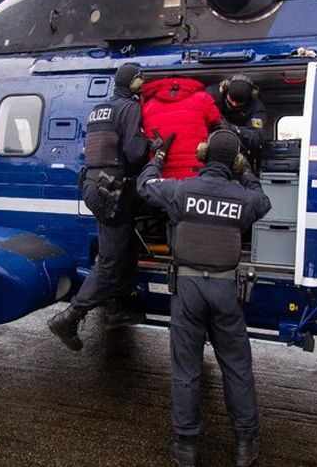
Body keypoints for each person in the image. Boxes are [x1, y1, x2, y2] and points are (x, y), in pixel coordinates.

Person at [137, 129, 271, 467]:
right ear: (234, 161)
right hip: (226, 290)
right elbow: (263, 200)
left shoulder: (181, 190)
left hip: (188, 289)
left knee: (186, 369)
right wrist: (246, 171)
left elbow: (145, 185)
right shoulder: (244, 198)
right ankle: (244, 445)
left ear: (202, 154)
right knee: (237, 367)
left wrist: (159, 156)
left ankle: (186, 447)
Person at [47, 64, 150, 351]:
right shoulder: (129, 107)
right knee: (110, 261)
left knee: (126, 248)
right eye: (140, 79)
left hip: (95, 184)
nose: (142, 83)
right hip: (113, 189)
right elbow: (134, 152)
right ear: (132, 83)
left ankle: (116, 308)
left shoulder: (100, 109)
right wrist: (152, 146)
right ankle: (70, 317)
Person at [141, 77, 223, 179]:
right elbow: (219, 129)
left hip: (161, 176)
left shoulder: (147, 106)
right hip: (196, 173)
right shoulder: (203, 99)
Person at [207, 74, 268, 162]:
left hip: (239, 150)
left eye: (239, 103)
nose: (234, 104)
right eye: (231, 100)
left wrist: (235, 129)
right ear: (224, 90)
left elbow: (257, 136)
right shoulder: (211, 96)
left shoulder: (256, 108)